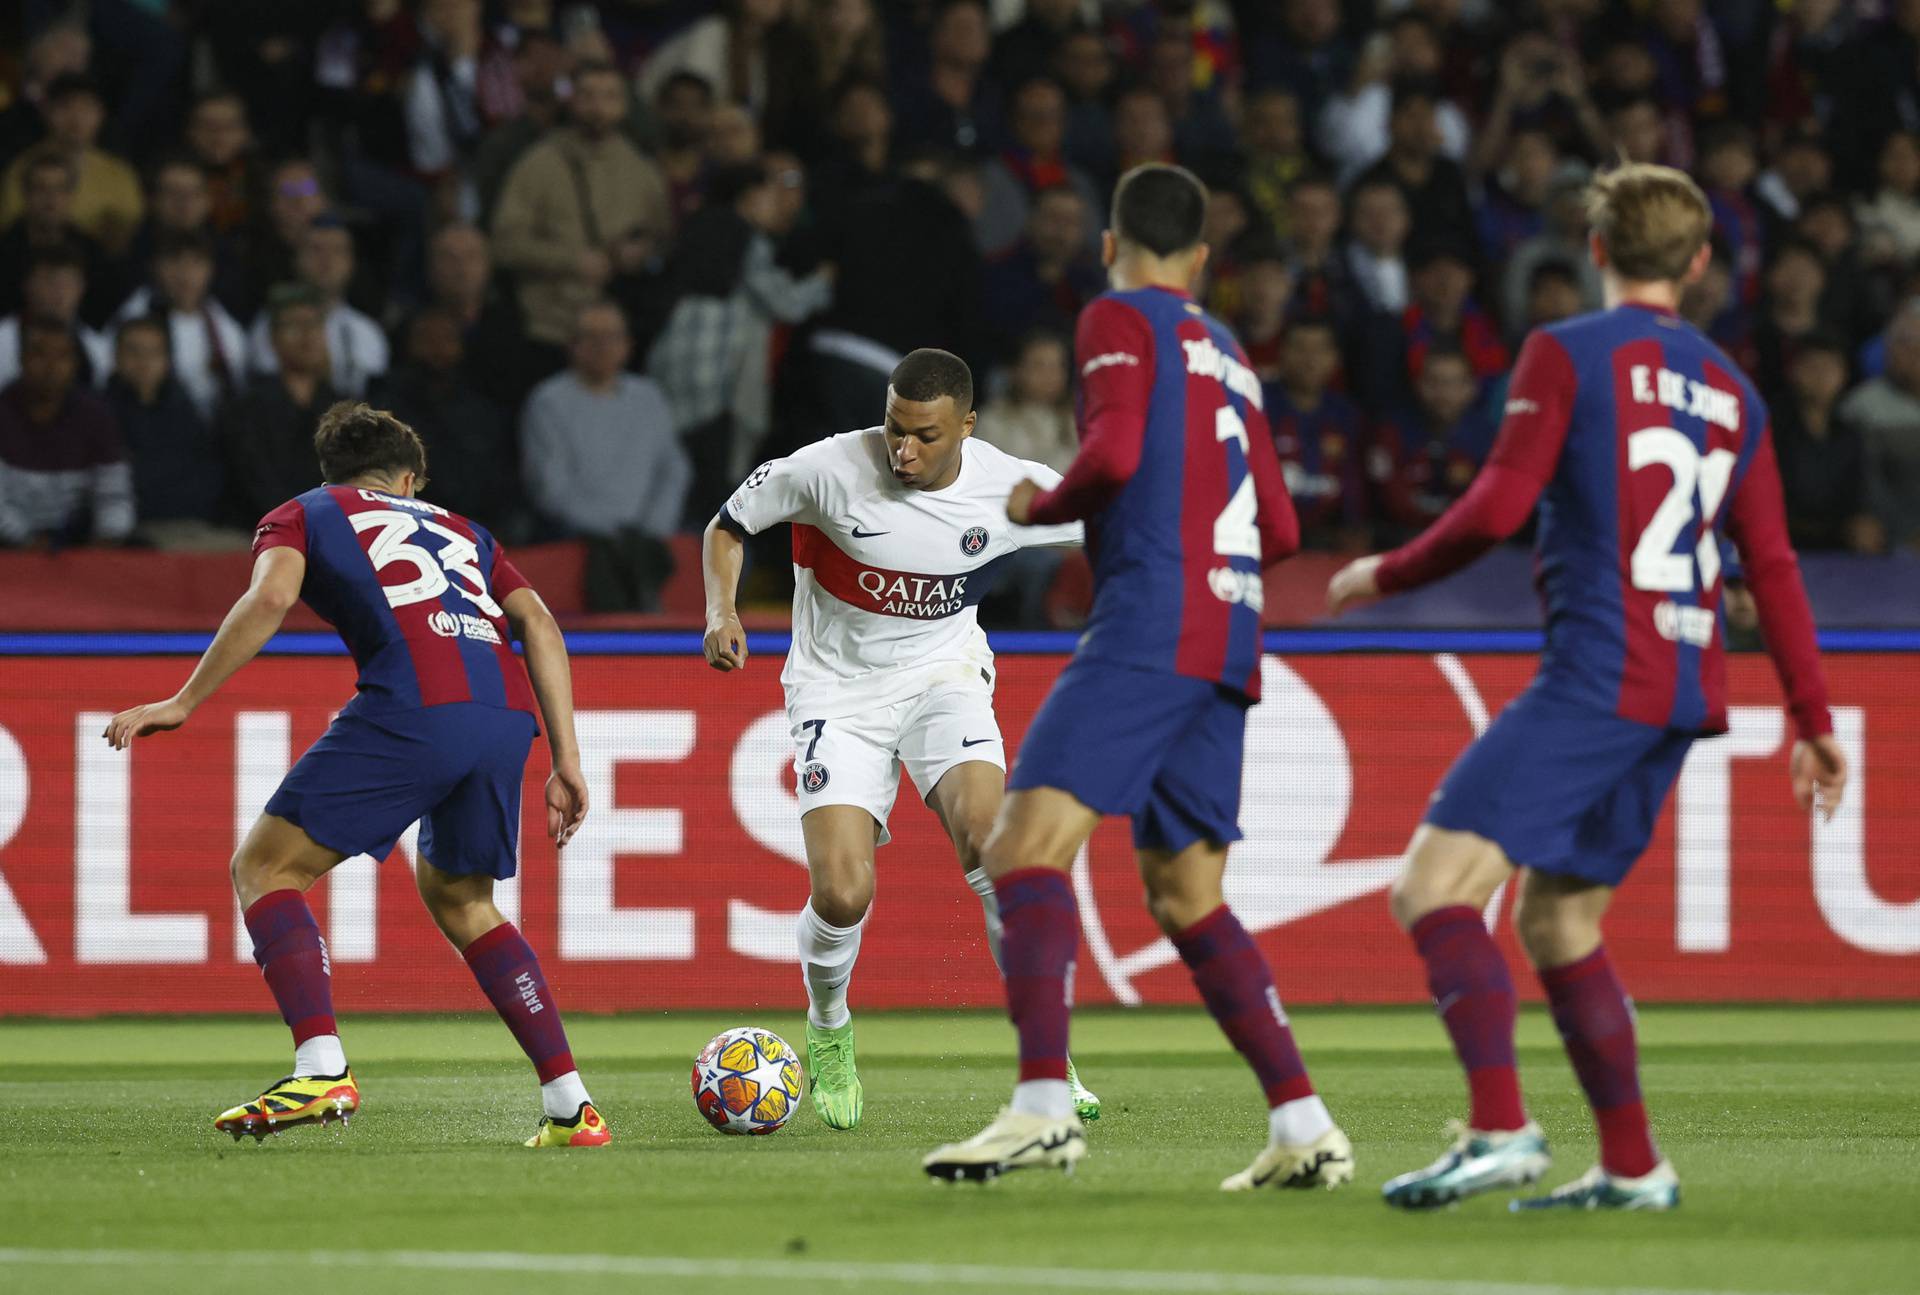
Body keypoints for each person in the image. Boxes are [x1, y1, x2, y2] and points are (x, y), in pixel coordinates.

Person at [1325, 163, 1845, 1212]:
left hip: (1598, 674)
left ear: (1598, 250)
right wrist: (1813, 718)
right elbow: (1776, 564)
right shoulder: (1735, 391)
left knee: (1430, 888)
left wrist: (1386, 570)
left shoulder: (1566, 351)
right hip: (1683, 687)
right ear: (1700, 264)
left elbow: (1491, 506)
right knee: (1560, 923)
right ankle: (1635, 1164)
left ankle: (1499, 1126)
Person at [922, 165, 1349, 1191]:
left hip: (1150, 621)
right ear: (1203, 260)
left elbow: (1110, 451)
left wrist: (1040, 503)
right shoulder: (1235, 352)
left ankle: (1040, 1109)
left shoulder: (1118, 315)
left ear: (1112, 244)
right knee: (1188, 893)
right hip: (1231, 636)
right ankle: (1303, 1122)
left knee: (1021, 848)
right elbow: (1285, 528)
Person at [102, 401, 605, 1149]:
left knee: (264, 864)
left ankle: (321, 1065)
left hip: (415, 705)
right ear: (409, 477)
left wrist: (184, 699)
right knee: (465, 901)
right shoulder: (467, 531)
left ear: (336, 472)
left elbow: (271, 595)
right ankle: (572, 1106)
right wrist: (566, 756)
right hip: (505, 716)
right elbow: (538, 622)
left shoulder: (302, 512)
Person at [701, 347, 1096, 1132]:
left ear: (967, 427)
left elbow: (1119, 523)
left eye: (924, 435)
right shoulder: (827, 469)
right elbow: (728, 524)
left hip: (942, 677)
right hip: (836, 693)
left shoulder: (1009, 488)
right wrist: (723, 610)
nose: (903, 451)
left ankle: (1047, 1057)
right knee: (845, 891)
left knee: (996, 848)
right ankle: (829, 1026)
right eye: (893, 429)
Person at [491, 60, 671, 354]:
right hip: (552, 328)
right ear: (571, 100)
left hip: (622, 329)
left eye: (609, 97)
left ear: (624, 105)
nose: (598, 107)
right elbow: (503, 244)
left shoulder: (643, 170)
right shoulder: (537, 164)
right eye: (588, 95)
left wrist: (642, 252)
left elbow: (664, 240)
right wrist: (571, 260)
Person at [521, 300, 689, 607]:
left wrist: (652, 528)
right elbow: (550, 488)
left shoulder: (649, 397)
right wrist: (613, 531)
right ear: (572, 345)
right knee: (610, 564)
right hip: (578, 533)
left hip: (647, 534)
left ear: (627, 345)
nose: (602, 347)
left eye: (612, 337)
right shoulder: (548, 402)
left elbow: (674, 470)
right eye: (591, 338)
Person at [0, 316, 132, 547]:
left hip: (82, 544)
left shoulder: (96, 416)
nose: (51, 366)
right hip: (12, 547)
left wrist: (105, 539)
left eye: (62, 356)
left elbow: (113, 494)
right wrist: (28, 542)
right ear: (22, 359)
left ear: (74, 363)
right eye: (40, 354)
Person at [104, 315, 229, 547]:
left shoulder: (185, 410)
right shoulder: (101, 413)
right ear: (116, 358)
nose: (144, 362)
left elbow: (208, 472)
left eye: (154, 353)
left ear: (167, 360)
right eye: (134, 352)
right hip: (136, 532)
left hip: (194, 522)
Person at [220, 287, 340, 522]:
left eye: (314, 324)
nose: (307, 335)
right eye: (294, 325)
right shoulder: (247, 409)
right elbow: (256, 483)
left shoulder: (343, 406)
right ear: (273, 338)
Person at [114, 230, 248, 421]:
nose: (185, 273)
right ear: (156, 267)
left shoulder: (224, 325)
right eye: (174, 261)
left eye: (196, 263)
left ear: (211, 270)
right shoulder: (134, 314)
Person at [247, 217, 389, 398]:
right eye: (316, 250)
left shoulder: (367, 333)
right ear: (296, 259)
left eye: (338, 251)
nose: (327, 260)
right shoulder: (270, 324)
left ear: (352, 262)